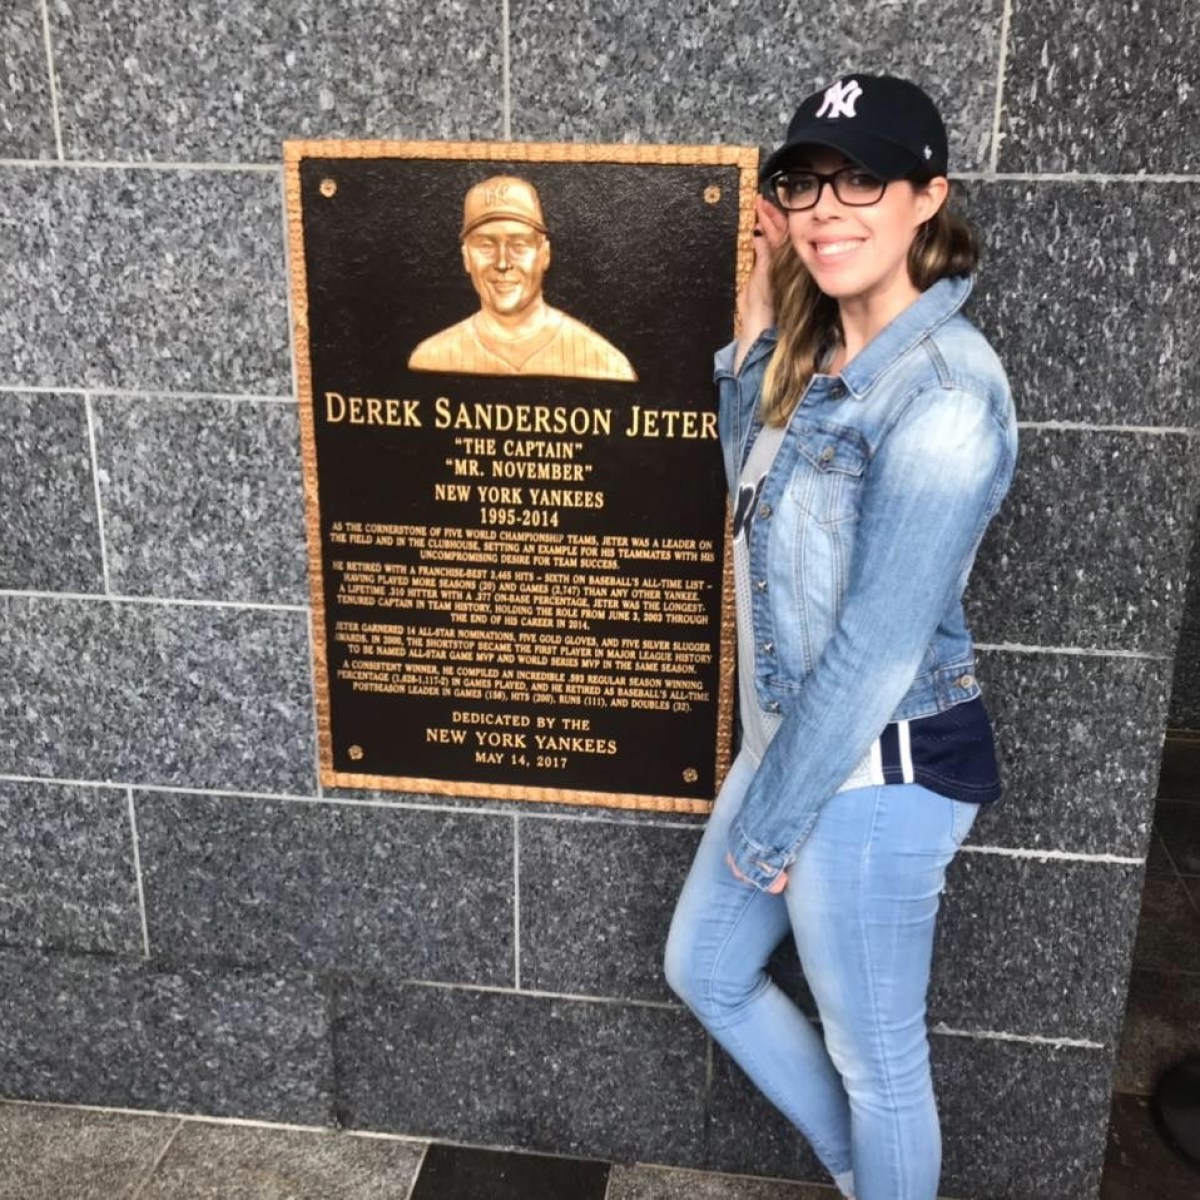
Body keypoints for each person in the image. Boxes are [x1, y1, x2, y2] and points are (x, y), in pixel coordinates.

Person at [664, 75, 1018, 1200]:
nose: (825, 208)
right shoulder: (822, 362)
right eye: (804, 183)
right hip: (795, 745)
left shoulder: (947, 396)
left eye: (862, 178)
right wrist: (762, 305)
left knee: (881, 1066)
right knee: (706, 968)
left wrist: (768, 824)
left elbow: (874, 648)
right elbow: (746, 491)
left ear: (927, 198)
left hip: (881, 767)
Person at [408, 175, 637, 381]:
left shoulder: (604, 364)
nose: (502, 263)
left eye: (519, 244)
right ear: (467, 257)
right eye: (486, 245)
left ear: (544, 254)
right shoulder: (430, 359)